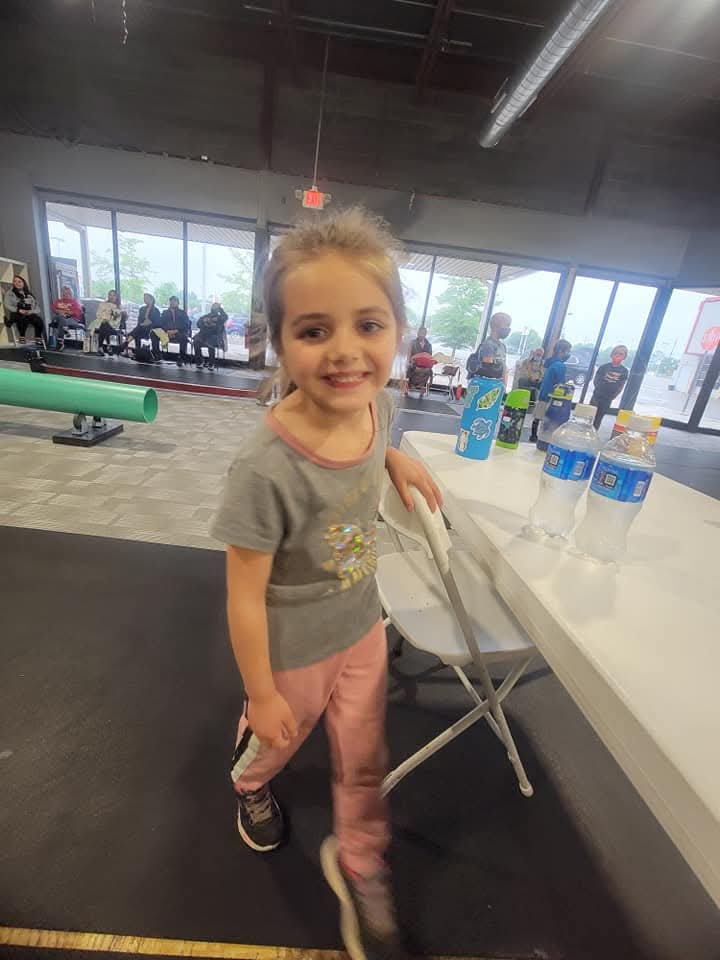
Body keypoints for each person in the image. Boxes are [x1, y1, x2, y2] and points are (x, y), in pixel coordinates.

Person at [210, 208, 441, 960]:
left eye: (368, 325)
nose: (345, 351)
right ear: (278, 344)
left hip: (361, 624)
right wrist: (263, 691)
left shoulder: (377, 402)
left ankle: (362, 859)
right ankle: (250, 784)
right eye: (314, 331)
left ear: (397, 331)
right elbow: (243, 594)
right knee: (276, 740)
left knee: (364, 753)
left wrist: (394, 458)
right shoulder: (265, 469)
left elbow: (372, 437)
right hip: (293, 648)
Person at [530, 339, 572, 442]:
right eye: (567, 351)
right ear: (561, 351)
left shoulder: (549, 362)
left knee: (538, 416)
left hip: (543, 393)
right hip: (552, 396)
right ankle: (545, 437)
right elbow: (561, 383)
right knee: (549, 418)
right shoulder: (560, 365)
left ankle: (533, 436)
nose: (568, 354)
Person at [590, 345, 629, 430]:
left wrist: (614, 395)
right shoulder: (604, 367)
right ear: (611, 355)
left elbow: (621, 385)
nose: (617, 355)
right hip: (597, 395)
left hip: (608, 398)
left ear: (624, 357)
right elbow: (596, 380)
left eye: (621, 354)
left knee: (599, 416)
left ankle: (594, 431)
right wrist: (599, 389)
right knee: (590, 414)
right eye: (615, 353)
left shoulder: (624, 371)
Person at [467, 312, 512, 385]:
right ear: (495, 326)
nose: (508, 329)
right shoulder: (488, 345)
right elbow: (488, 372)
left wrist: (503, 386)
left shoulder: (502, 346)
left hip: (496, 384)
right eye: (506, 325)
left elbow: (504, 369)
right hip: (485, 385)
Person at [3, 276, 44, 344]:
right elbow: (7, 305)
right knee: (22, 318)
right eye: (14, 281)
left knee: (39, 320)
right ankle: (22, 336)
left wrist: (31, 311)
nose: (16, 283)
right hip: (17, 313)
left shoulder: (29, 294)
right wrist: (18, 310)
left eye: (19, 281)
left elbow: (37, 307)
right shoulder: (10, 293)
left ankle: (38, 337)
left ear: (23, 283)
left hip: (28, 313)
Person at [158, 295, 191, 366]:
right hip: (167, 332)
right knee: (153, 334)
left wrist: (176, 330)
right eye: (171, 301)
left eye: (174, 301)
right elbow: (161, 323)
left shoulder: (183, 313)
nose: (172, 303)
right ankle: (157, 355)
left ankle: (181, 357)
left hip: (179, 332)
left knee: (183, 338)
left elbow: (186, 324)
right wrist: (167, 331)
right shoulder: (165, 312)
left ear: (178, 303)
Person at [193, 302, 228, 370]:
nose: (214, 307)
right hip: (203, 334)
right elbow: (198, 324)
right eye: (213, 306)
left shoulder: (220, 318)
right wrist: (204, 322)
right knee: (196, 341)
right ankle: (200, 361)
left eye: (216, 306)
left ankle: (211, 363)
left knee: (211, 342)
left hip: (215, 335)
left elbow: (225, 317)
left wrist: (220, 310)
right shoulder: (206, 316)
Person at [126, 293, 161, 358]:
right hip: (142, 329)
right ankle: (137, 351)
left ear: (151, 299)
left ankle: (125, 343)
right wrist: (143, 324)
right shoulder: (142, 309)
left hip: (151, 330)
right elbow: (139, 320)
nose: (145, 300)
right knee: (138, 332)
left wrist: (147, 323)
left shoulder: (156, 310)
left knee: (137, 330)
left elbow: (155, 323)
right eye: (144, 298)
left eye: (146, 298)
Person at [94, 290, 126, 356]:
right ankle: (108, 346)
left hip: (114, 326)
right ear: (108, 296)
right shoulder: (103, 304)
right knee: (104, 325)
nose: (111, 297)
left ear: (116, 297)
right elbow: (98, 314)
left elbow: (118, 320)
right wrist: (104, 319)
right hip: (102, 323)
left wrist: (114, 316)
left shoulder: (119, 307)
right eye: (110, 295)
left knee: (104, 326)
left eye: (113, 295)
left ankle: (101, 347)